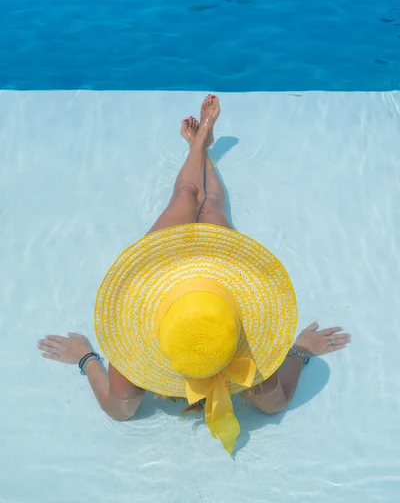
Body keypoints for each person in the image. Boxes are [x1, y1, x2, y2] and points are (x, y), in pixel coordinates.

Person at [38, 95, 351, 454]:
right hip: (219, 283)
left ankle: (199, 143)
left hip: (160, 278)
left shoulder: (138, 363)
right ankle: (201, 141)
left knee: (189, 197)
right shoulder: (252, 369)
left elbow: (118, 409)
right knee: (208, 204)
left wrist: (86, 357)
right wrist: (296, 351)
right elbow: (276, 403)